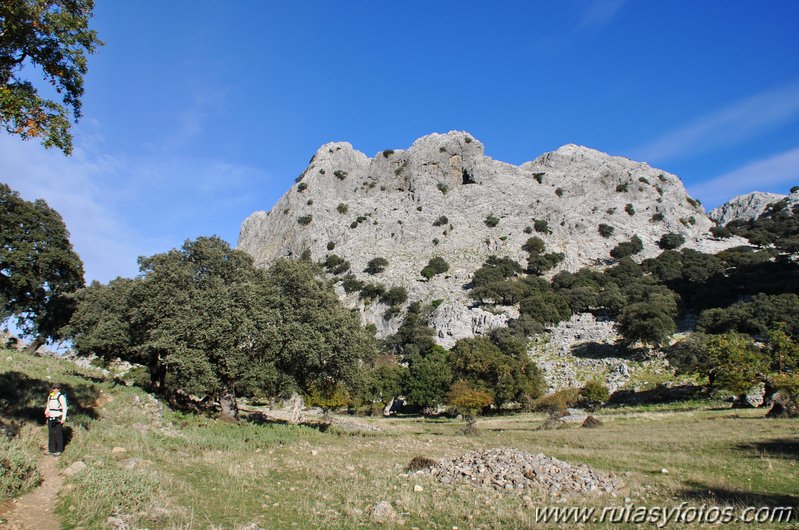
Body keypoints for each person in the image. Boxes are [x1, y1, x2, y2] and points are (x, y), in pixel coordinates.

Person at [44, 382, 68, 455]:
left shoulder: (61, 397)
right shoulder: (50, 397)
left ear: (59, 389)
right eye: (54, 388)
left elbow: (64, 408)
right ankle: (51, 449)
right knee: (51, 433)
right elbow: (48, 406)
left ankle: (59, 450)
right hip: (51, 417)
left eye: (57, 388)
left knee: (58, 433)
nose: (56, 389)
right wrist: (46, 412)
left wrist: (63, 418)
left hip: (58, 416)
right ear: (52, 388)